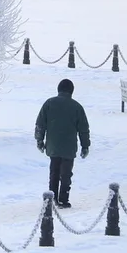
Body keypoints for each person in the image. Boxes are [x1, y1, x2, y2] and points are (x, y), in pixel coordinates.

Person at [34, 78, 90, 209]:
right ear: (71, 91)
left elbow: (40, 124)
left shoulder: (49, 103)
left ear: (58, 89)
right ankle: (63, 200)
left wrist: (39, 140)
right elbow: (83, 129)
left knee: (54, 171)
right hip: (69, 146)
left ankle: (51, 198)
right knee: (66, 174)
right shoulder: (77, 107)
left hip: (53, 145)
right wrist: (85, 146)